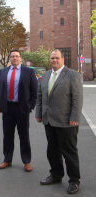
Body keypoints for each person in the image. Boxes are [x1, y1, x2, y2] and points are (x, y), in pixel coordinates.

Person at [35, 49, 83, 194]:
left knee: (69, 152)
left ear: (62, 59)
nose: (54, 60)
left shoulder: (72, 75)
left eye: (56, 58)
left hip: (66, 121)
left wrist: (75, 117)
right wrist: (39, 113)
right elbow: (40, 96)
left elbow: (77, 98)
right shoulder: (46, 75)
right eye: (52, 58)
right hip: (49, 121)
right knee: (52, 150)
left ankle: (74, 180)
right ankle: (56, 175)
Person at [0, 49, 38, 172]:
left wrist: (30, 106)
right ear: (10, 58)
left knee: (24, 136)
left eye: (17, 56)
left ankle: (27, 161)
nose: (15, 58)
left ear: (21, 58)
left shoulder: (28, 72)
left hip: (22, 108)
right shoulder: (2, 72)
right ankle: (7, 159)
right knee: (7, 136)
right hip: (7, 108)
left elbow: (35, 91)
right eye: (12, 56)